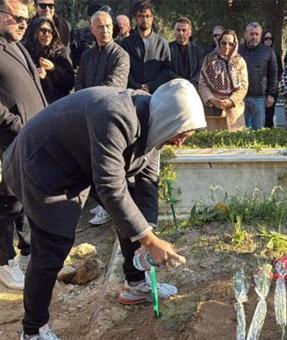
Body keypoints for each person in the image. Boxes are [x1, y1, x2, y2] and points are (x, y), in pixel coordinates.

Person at [3, 79, 205, 339]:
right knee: (53, 245)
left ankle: (135, 285)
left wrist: (148, 231)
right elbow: (110, 186)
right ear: (169, 119)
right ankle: (33, 330)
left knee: (132, 211)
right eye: (181, 135)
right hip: (40, 164)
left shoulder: (155, 123)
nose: (180, 143)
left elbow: (146, 182)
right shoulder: (116, 115)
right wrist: (149, 239)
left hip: (78, 162)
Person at [0, 0, 47, 291]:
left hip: (31, 137)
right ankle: (5, 264)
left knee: (26, 201)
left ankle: (29, 254)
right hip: (9, 139)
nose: (23, 25)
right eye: (18, 18)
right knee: (8, 202)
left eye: (26, 20)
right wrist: (14, 123)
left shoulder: (15, 44)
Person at [199, 29, 248, 131]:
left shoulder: (240, 62)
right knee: (212, 143)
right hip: (213, 111)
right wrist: (212, 99)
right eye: (223, 43)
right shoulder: (209, 59)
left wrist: (231, 101)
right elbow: (202, 84)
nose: (227, 46)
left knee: (233, 144)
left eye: (230, 44)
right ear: (218, 43)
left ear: (235, 45)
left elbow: (243, 86)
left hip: (234, 113)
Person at [121, 0, 173, 93]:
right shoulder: (126, 43)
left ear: (152, 17)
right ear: (135, 18)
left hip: (157, 94)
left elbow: (166, 69)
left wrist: (151, 86)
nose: (145, 19)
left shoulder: (162, 43)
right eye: (141, 16)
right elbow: (123, 68)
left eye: (148, 16)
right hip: (131, 93)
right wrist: (137, 86)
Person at [75, 10, 129, 91]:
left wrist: (86, 96)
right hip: (85, 102)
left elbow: (113, 87)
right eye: (100, 26)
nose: (105, 31)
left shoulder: (121, 55)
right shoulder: (86, 55)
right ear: (92, 29)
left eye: (108, 26)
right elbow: (78, 82)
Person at [24, 16, 74, 103]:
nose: (47, 34)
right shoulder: (26, 52)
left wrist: (53, 69)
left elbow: (69, 83)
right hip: (35, 103)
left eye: (50, 31)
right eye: (42, 30)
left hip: (58, 103)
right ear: (34, 32)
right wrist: (38, 77)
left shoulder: (60, 52)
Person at [239, 22, 278, 130]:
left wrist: (271, 94)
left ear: (260, 36)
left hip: (259, 98)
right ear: (246, 34)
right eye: (251, 34)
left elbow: (273, 75)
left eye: (257, 34)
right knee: (240, 130)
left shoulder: (268, 52)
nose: (254, 37)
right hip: (240, 97)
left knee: (258, 131)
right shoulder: (238, 51)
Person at [169, 17, 205, 87]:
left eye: (184, 30)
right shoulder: (167, 48)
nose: (181, 33)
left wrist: (190, 83)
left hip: (193, 86)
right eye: (178, 30)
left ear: (190, 32)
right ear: (174, 32)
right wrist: (180, 82)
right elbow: (166, 69)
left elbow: (201, 70)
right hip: (173, 86)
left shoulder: (198, 49)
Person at [262, 29, 282, 128]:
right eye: (266, 38)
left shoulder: (276, 54)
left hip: (272, 90)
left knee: (269, 117)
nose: (268, 40)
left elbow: (279, 72)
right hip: (260, 89)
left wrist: (274, 91)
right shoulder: (259, 53)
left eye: (270, 38)